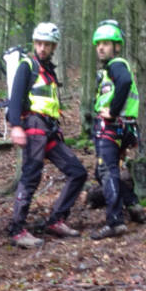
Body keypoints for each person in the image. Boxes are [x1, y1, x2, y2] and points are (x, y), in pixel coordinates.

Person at [7, 22, 87, 248]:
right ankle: (17, 229)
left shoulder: (49, 71)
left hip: (50, 130)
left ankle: (56, 220)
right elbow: (15, 98)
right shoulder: (27, 66)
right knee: (31, 175)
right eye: (39, 43)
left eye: (47, 45)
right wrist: (15, 126)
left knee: (77, 172)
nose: (42, 48)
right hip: (33, 126)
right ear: (34, 43)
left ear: (54, 47)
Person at [89, 20, 146, 241]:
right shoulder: (109, 70)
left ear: (117, 46)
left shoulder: (117, 64)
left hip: (113, 126)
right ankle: (133, 205)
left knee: (106, 171)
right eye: (98, 44)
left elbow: (124, 82)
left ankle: (115, 222)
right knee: (101, 171)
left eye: (106, 43)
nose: (101, 47)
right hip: (123, 128)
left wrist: (112, 111)